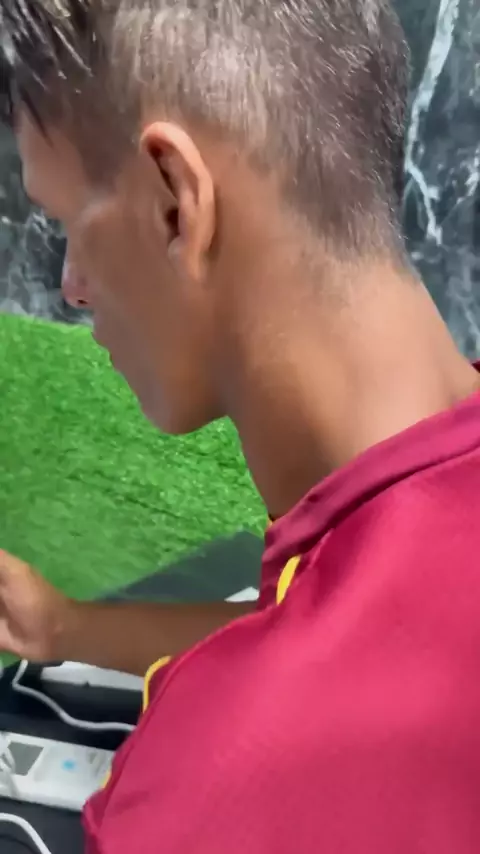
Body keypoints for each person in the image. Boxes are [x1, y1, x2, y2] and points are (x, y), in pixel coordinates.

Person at [0, 1, 479, 851]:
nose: (71, 285)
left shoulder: (200, 805)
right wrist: (62, 628)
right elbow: (350, 640)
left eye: (69, 222)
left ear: (174, 205)